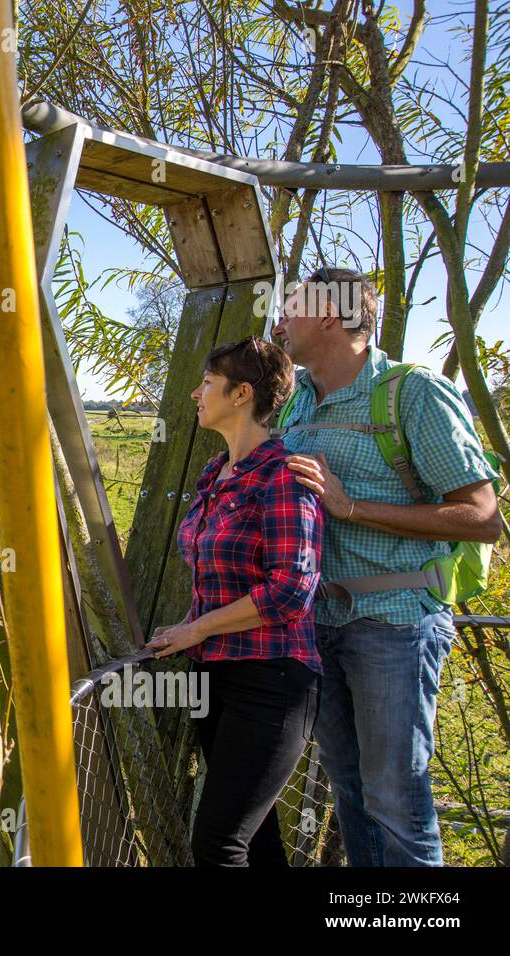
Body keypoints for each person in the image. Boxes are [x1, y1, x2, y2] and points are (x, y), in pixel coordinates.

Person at [274, 267, 502, 866]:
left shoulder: (413, 392)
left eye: (291, 307)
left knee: (396, 798)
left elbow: (481, 516)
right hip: (318, 623)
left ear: (329, 315)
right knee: (351, 789)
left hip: (394, 624)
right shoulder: (300, 398)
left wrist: (352, 507)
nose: (280, 320)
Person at [147, 336, 324, 866]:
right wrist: (187, 627)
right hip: (215, 676)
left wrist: (199, 628)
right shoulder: (215, 473)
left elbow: (291, 588)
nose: (197, 394)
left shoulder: (285, 475)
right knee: (256, 841)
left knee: (219, 845)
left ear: (242, 392)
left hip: (271, 680)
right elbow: (215, 574)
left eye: (207, 383)